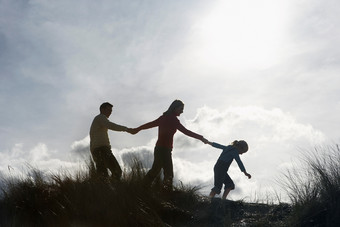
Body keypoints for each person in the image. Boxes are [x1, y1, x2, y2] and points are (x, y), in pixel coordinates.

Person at [132, 100, 208, 190]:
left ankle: (144, 187)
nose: (182, 111)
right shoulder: (173, 120)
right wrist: (201, 138)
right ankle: (161, 191)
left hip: (160, 149)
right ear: (175, 108)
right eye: (181, 109)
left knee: (157, 171)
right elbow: (186, 132)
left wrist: (138, 129)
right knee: (167, 174)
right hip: (164, 150)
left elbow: (149, 124)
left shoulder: (163, 117)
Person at [89, 102, 133, 180]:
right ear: (102, 109)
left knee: (102, 174)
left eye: (111, 111)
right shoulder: (100, 117)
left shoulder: (98, 120)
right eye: (108, 110)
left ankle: (104, 189)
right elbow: (110, 125)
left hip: (97, 150)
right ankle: (112, 189)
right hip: (101, 149)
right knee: (116, 171)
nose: (110, 112)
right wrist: (126, 129)